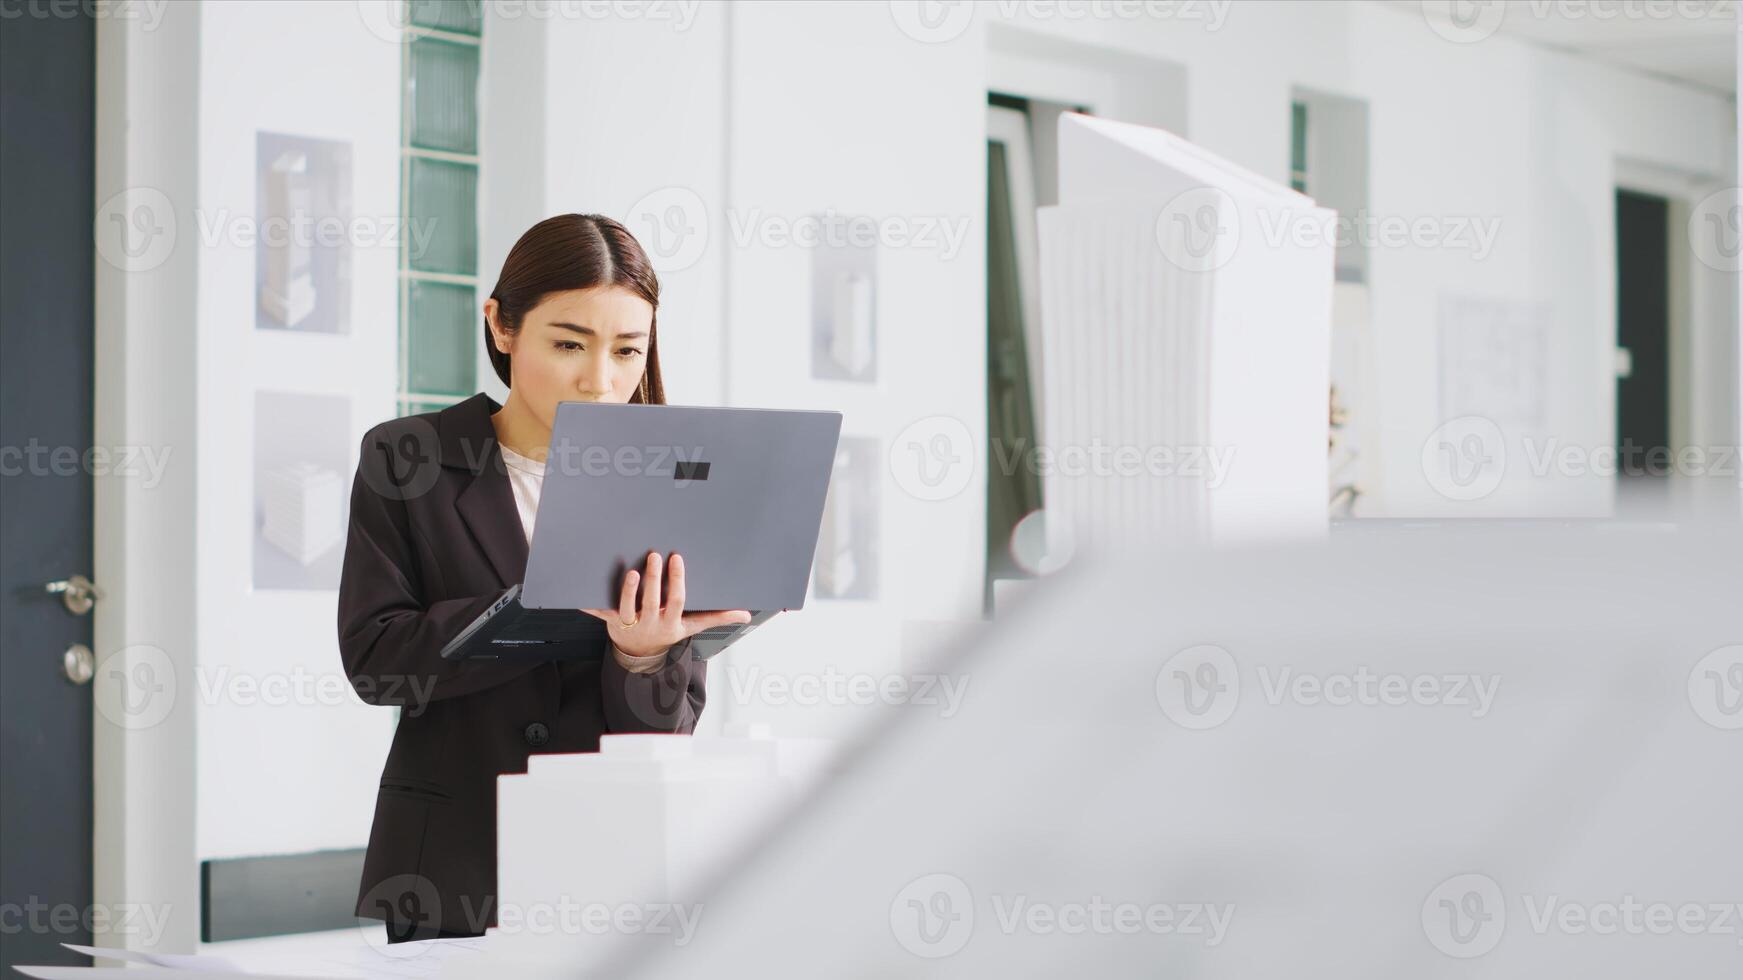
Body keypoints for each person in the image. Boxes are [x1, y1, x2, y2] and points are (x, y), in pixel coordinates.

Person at [336, 213, 752, 943]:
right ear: (501, 326)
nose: (601, 381)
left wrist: (641, 655)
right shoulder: (408, 457)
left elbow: (669, 726)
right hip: (453, 862)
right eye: (568, 344)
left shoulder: (661, 478)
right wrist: (524, 612)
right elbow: (376, 664)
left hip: (610, 861)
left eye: (628, 350)